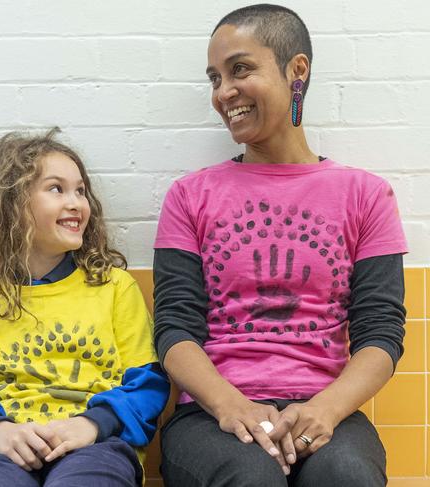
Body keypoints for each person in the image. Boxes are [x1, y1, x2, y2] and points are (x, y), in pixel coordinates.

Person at [153, 4, 407, 486]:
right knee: (251, 478)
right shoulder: (189, 196)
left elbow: (380, 332)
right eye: (214, 78)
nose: (224, 92)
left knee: (347, 475)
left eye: (240, 70)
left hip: (327, 410)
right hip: (213, 415)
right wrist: (232, 406)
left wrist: (325, 410)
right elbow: (173, 329)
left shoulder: (366, 195)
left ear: (296, 71)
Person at [0, 129, 169, 487]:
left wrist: (92, 424)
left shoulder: (114, 289)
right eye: (56, 189)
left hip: (95, 446)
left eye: (80, 190)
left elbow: (148, 384)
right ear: (12, 206)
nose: (76, 202)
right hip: (5, 450)